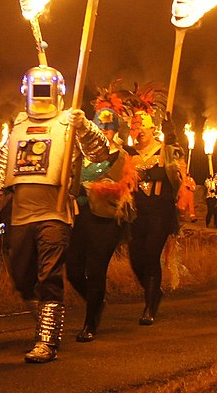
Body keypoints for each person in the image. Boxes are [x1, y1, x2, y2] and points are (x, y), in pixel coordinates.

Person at [0, 64, 108, 363]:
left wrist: (86, 127)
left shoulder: (69, 123)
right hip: (21, 215)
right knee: (22, 276)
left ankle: (48, 341)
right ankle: (42, 322)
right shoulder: (18, 126)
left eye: (46, 90)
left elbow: (100, 153)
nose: (41, 97)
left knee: (49, 275)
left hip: (54, 214)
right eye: (35, 91)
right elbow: (2, 167)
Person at [66, 104, 137, 342]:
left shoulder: (121, 155)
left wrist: (93, 188)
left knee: (95, 269)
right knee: (73, 271)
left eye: (108, 128)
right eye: (100, 127)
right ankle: (96, 303)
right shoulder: (76, 152)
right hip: (78, 217)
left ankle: (90, 322)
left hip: (105, 220)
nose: (104, 131)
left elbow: (119, 186)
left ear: (115, 130)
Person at [125, 106, 186, 326]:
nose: (140, 131)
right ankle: (154, 291)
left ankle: (150, 305)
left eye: (144, 127)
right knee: (136, 258)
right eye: (135, 127)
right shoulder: (127, 153)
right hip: (136, 212)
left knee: (151, 254)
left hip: (160, 211)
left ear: (152, 129)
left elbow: (179, 166)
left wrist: (172, 138)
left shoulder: (165, 150)